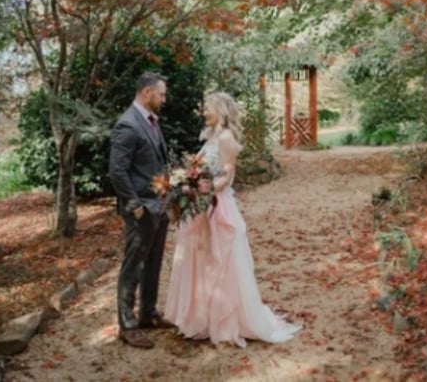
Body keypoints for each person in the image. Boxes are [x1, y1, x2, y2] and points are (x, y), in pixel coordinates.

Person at [164, 92, 301, 348]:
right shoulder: (212, 136)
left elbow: (227, 177)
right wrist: (189, 185)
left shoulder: (226, 137)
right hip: (201, 207)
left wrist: (201, 191)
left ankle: (227, 321)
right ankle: (203, 319)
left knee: (221, 262)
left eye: (208, 108)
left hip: (218, 208)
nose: (204, 113)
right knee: (202, 261)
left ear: (221, 111)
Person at [109, 72, 176, 348]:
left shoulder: (151, 121)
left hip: (159, 207)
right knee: (133, 266)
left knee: (153, 263)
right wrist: (134, 205)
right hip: (141, 210)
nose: (164, 99)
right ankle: (127, 324)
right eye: (161, 94)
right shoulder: (127, 124)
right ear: (147, 93)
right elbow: (117, 171)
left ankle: (148, 313)